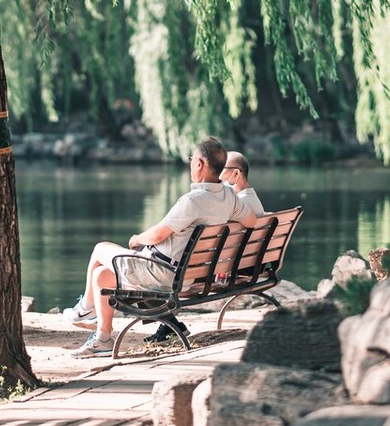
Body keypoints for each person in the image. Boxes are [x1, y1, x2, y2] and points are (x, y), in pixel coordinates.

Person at [64, 137, 257, 357]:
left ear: (200, 164)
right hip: (189, 274)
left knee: (100, 249)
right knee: (101, 275)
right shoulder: (229, 196)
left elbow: (157, 234)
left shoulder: (193, 201)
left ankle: (84, 311)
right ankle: (102, 338)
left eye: (192, 159)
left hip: (163, 272)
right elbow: (251, 221)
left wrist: (138, 238)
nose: (191, 163)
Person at [220, 151, 266, 216]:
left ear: (236, 174)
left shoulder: (240, 204)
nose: (218, 175)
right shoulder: (250, 198)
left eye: (221, 169)